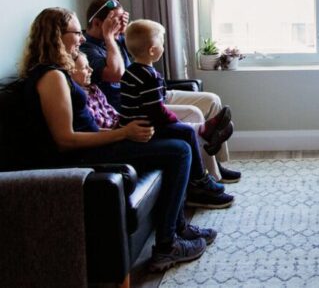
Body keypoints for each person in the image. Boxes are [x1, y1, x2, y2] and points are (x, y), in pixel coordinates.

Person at [20, 8, 216, 272]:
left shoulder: (56, 72)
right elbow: (65, 140)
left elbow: (83, 127)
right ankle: (167, 245)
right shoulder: (51, 77)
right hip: (85, 157)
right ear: (56, 35)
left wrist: (123, 130)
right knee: (179, 151)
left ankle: (177, 228)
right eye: (76, 32)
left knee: (178, 139)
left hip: (96, 145)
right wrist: (124, 133)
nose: (81, 38)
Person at [80, 0, 241, 184]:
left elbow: (142, 44)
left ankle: (215, 164)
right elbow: (116, 73)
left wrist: (124, 32)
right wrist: (109, 37)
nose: (118, 24)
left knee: (212, 100)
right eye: (114, 20)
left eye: (120, 18)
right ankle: (210, 175)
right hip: (137, 103)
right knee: (195, 113)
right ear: (97, 23)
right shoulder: (88, 50)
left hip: (155, 92)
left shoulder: (119, 39)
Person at [71, 50, 234, 209]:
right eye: (85, 67)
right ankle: (202, 161)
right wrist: (124, 130)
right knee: (183, 135)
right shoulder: (80, 97)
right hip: (119, 134)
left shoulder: (94, 89)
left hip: (124, 124)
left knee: (190, 121)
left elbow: (113, 113)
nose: (91, 70)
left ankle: (208, 159)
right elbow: (96, 129)